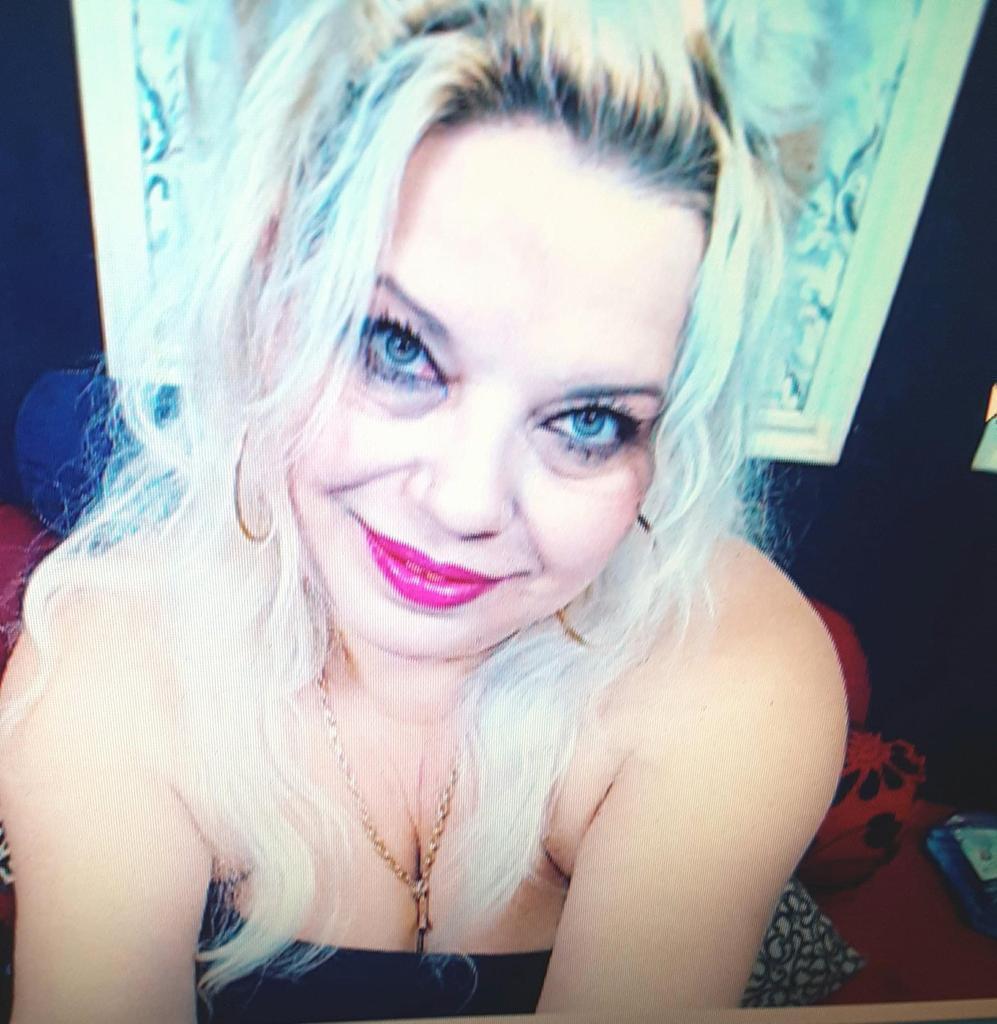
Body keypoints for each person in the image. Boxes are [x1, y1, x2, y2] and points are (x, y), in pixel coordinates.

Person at [0, 1, 849, 1021]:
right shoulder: (109, 661)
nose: (464, 503)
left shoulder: (729, 665)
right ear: (272, 292)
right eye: (397, 348)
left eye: (588, 420)